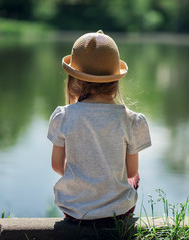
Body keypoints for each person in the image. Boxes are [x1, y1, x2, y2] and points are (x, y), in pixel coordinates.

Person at [47, 30, 152, 223]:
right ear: (115, 82)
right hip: (117, 213)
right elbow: (130, 172)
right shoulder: (130, 120)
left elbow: (56, 165)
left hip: (75, 211)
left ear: (74, 81)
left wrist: (83, 177)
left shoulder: (64, 116)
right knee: (134, 178)